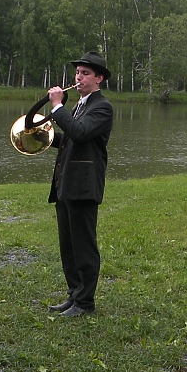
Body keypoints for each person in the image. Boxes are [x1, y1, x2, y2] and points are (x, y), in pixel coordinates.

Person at [45, 52, 113, 317]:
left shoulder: (102, 107)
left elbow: (80, 132)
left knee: (84, 246)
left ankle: (85, 303)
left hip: (84, 187)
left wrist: (57, 107)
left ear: (99, 78)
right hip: (67, 184)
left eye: (85, 73)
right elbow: (70, 138)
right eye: (77, 72)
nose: (78, 77)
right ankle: (74, 295)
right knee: (69, 245)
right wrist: (44, 138)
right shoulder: (79, 106)